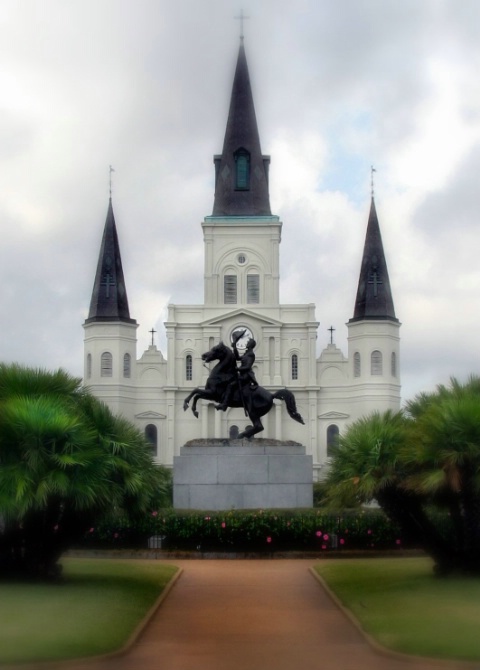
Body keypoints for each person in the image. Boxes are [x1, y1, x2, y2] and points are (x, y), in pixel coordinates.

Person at [216, 330, 258, 412]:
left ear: (251, 345)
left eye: (248, 342)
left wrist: (237, 369)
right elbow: (238, 357)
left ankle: (224, 404)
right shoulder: (247, 353)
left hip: (246, 376)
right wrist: (235, 347)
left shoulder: (251, 354)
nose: (247, 342)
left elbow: (247, 367)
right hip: (242, 374)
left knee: (231, 385)